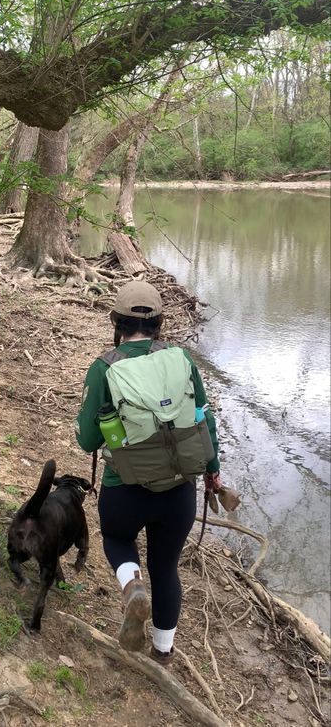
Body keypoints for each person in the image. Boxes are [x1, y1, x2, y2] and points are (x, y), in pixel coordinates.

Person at [75, 280, 236, 665]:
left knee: (116, 539)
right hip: (179, 489)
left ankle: (131, 586)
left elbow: (87, 440)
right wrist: (213, 474)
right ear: (161, 323)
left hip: (124, 487)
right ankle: (163, 653)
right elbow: (204, 421)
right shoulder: (182, 360)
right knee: (165, 568)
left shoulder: (104, 368)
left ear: (116, 321)